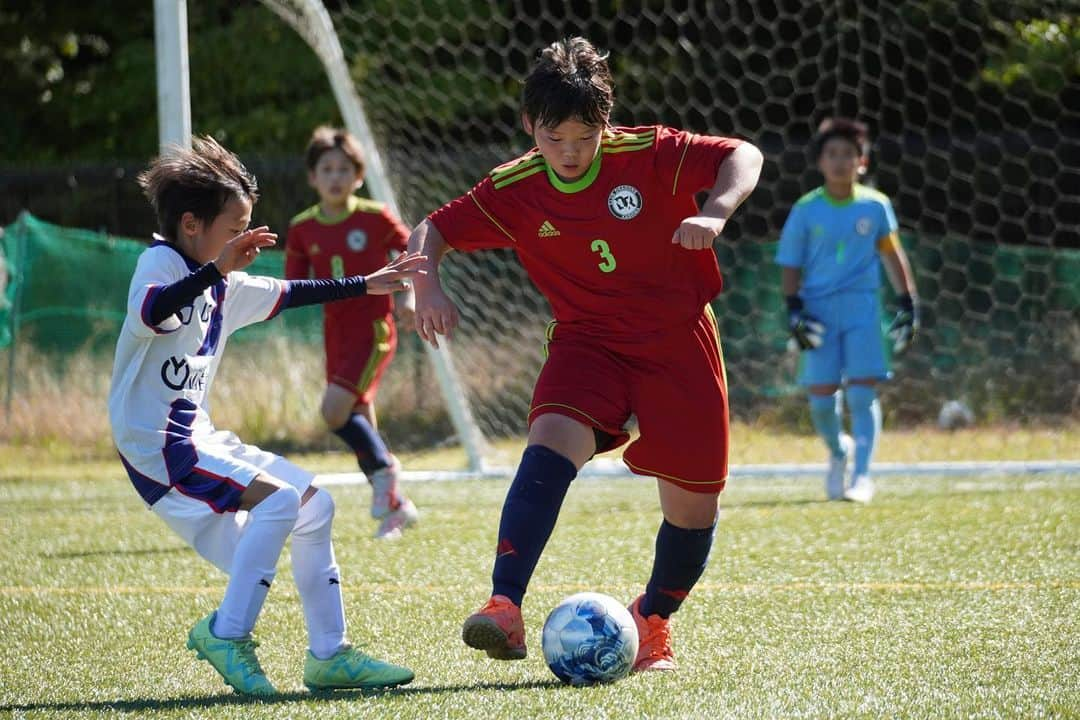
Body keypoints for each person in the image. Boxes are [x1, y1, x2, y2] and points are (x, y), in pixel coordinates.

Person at [408, 37, 763, 671]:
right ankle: (504, 607)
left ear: (606, 124)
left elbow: (744, 153)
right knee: (548, 444)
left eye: (584, 137)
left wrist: (716, 211)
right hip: (587, 340)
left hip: (678, 340)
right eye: (553, 138)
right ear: (529, 128)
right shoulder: (516, 188)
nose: (569, 153)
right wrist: (427, 282)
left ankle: (652, 619)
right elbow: (432, 230)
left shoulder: (649, 153)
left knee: (693, 509)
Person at [108, 136, 425, 696]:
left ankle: (329, 655)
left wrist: (366, 284)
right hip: (155, 442)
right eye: (236, 231)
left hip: (196, 436)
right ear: (190, 225)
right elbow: (153, 311)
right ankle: (226, 634)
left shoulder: (224, 284)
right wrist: (217, 270)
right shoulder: (159, 263)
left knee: (313, 504)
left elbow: (291, 291)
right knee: (280, 500)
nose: (246, 244)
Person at [776, 117, 919, 504]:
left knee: (861, 392)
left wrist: (908, 302)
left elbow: (892, 255)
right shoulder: (806, 209)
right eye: (832, 154)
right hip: (818, 311)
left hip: (863, 310)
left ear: (863, 162)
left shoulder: (876, 206)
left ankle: (862, 477)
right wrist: (794, 310)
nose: (840, 161)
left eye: (849, 154)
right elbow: (790, 262)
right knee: (821, 398)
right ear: (820, 162)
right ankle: (839, 453)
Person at [285, 126, 419, 540]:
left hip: (373, 330)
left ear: (358, 175)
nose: (335, 177)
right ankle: (395, 508)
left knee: (333, 412)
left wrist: (409, 296)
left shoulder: (374, 217)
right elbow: (294, 286)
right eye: (326, 169)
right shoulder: (302, 228)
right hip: (335, 336)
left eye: (344, 169)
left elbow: (413, 248)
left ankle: (385, 471)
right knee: (360, 419)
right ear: (312, 177)